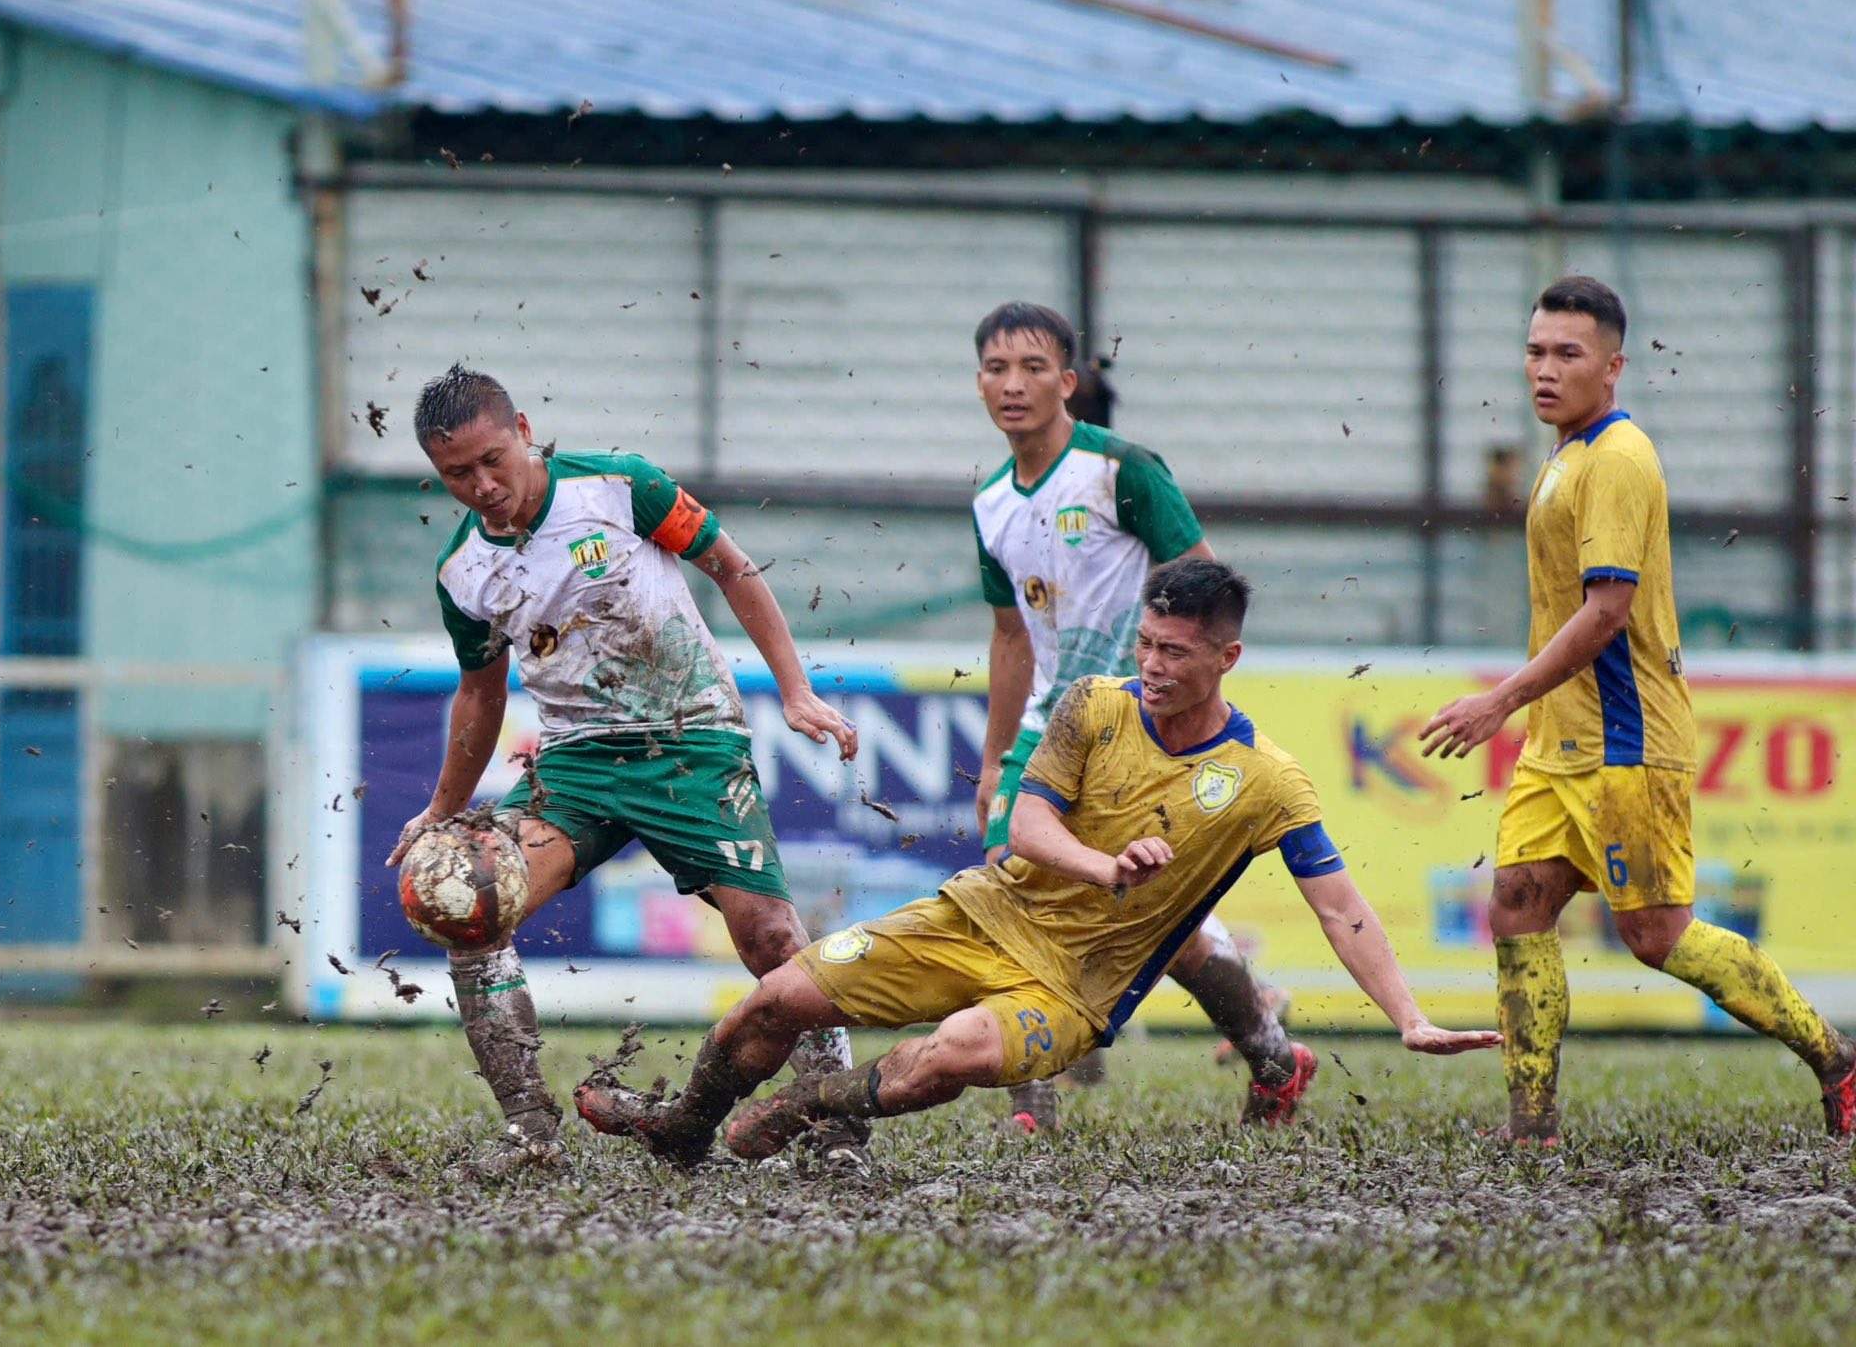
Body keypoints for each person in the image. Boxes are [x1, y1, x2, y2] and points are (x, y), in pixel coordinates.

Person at [575, 560, 1500, 1166]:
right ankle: (685, 1126)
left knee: (961, 1052)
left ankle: (812, 1105)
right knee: (777, 1000)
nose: (1153, 665)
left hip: (1074, 991)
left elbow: (1342, 908)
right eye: (1145, 644)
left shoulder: (1268, 783)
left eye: (1175, 653)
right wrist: (1105, 867)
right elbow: (1026, 826)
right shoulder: (1095, 704)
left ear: (1229, 656)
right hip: (978, 913)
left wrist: (1408, 1018)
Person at [388, 364, 866, 1171]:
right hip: (576, 763)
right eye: (456, 475)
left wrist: (795, 691)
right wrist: (443, 809)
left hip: (691, 741)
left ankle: (834, 1131)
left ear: (526, 430)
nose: (482, 485)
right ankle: (531, 1136)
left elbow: (732, 567)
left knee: (775, 937)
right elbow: (479, 693)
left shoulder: (619, 486)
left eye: (492, 460)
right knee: (466, 902)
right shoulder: (462, 570)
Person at [1419, 275, 1856, 1143]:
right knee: (1517, 902)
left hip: (1627, 739)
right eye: (1536, 350)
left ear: (1614, 367)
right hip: (1563, 742)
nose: (1544, 369)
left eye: (1567, 354)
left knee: (1657, 936)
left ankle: (1838, 1063)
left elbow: (1607, 611)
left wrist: (1500, 699)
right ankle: (1531, 1121)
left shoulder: (1615, 459)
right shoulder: (1567, 452)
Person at [968, 302, 1302, 1132]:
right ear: (978, 382)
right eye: (997, 368)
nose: (1014, 385)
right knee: (1009, 888)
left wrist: (1182, 703)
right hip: (1050, 729)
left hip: (1138, 728)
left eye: (1033, 367)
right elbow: (1011, 637)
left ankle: (1272, 1053)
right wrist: (992, 758)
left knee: (1173, 932)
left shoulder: (1122, 470)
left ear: (1068, 381)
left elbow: (1206, 591)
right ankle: (1031, 1107)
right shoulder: (986, 502)